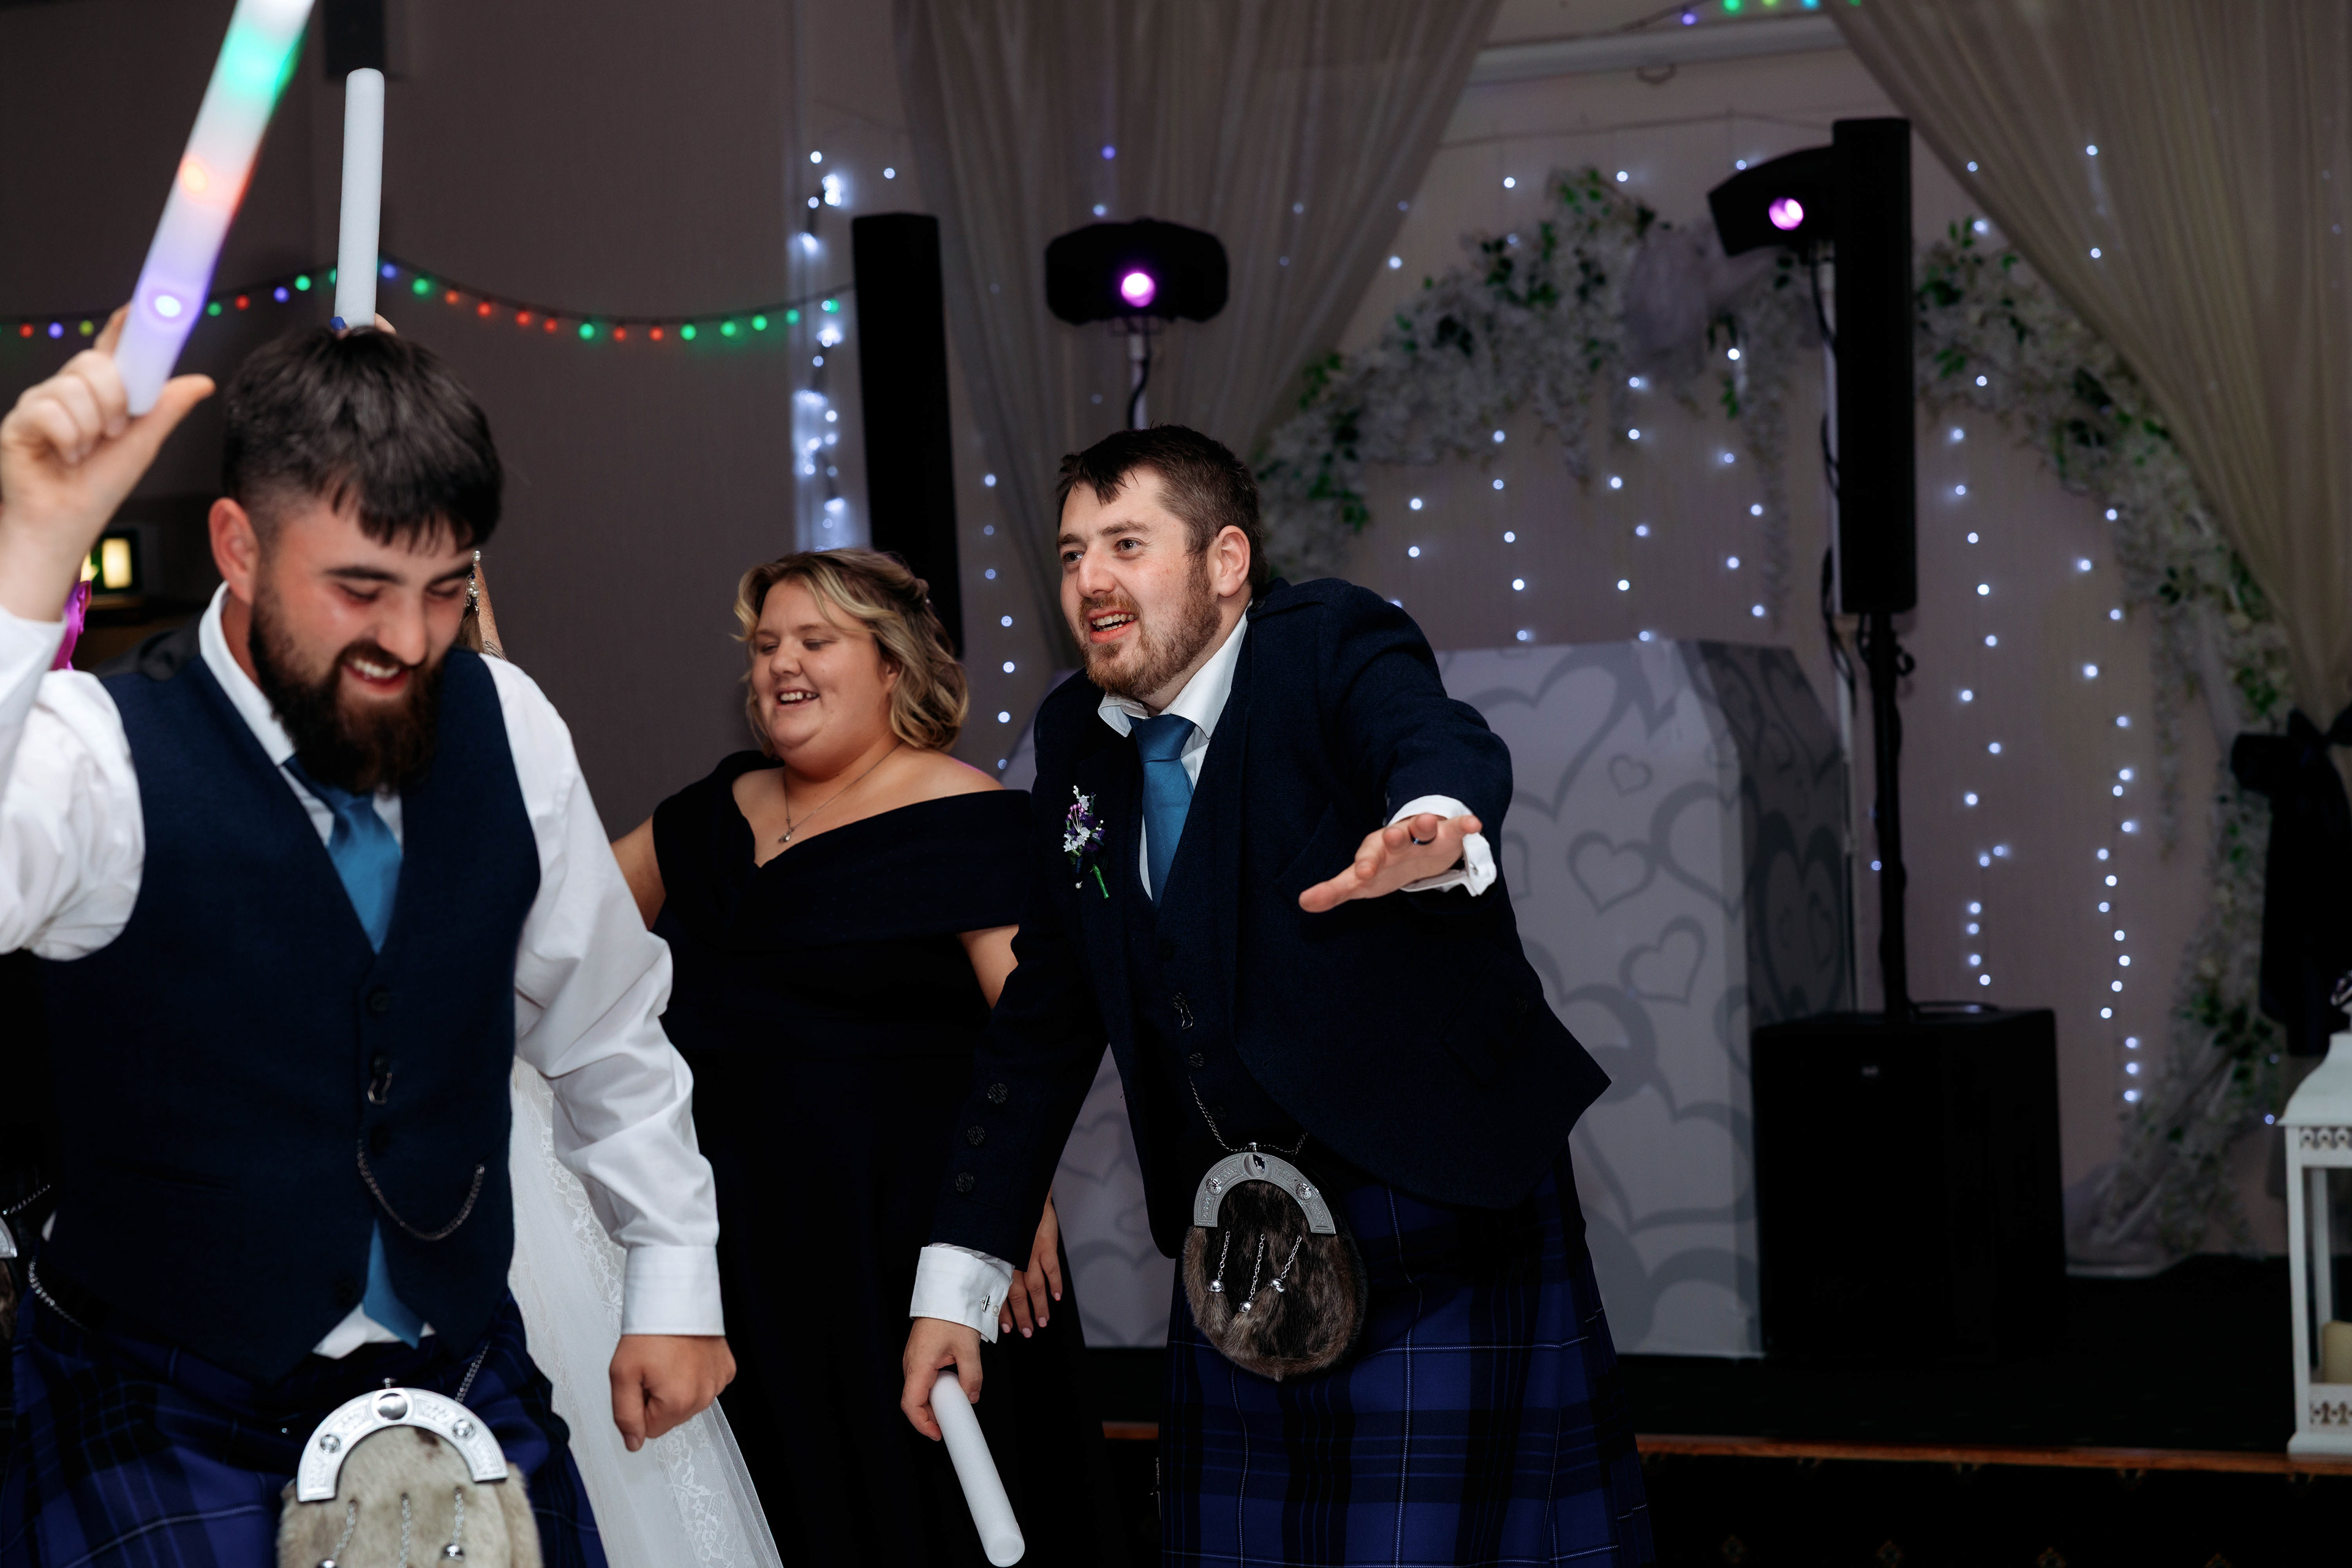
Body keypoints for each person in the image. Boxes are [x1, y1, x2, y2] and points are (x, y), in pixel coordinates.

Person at [0, 316, 733, 1568]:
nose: (409, 639)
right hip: (164, 1396)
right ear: (238, 545)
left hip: (459, 1376)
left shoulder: (508, 722)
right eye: (359, 588)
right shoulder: (97, 750)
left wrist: (673, 1272)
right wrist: (28, 555)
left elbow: (605, 1018)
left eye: (445, 590)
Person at [901, 426, 1654, 1565]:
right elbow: (1043, 1022)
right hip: (1241, 1257)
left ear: (1225, 561)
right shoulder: (1075, 738)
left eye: (1127, 544)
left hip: (1431, 1206)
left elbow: (1428, 736)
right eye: (1071, 553)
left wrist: (1431, 826)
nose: (1091, 578)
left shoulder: (1325, 642)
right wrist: (955, 1287)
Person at [611, 548, 1122, 1567]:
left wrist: (1009, 1196)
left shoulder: (968, 814)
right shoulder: (707, 815)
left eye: (815, 641)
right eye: (766, 646)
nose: (781, 664)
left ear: (892, 665)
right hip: (732, 1250)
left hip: (896, 1247)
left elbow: (1034, 1032)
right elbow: (566, 946)